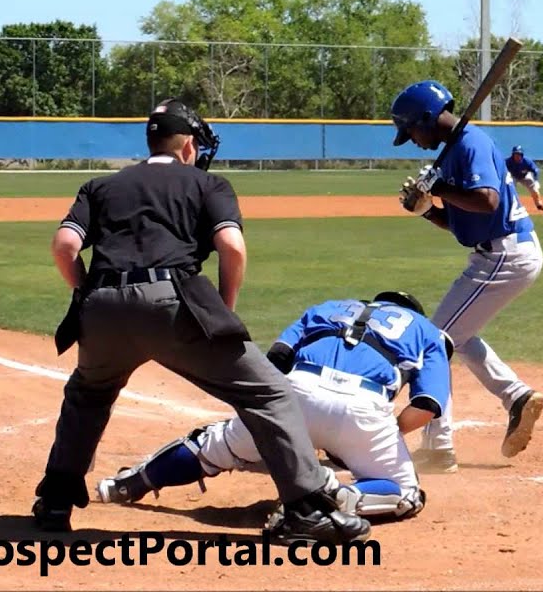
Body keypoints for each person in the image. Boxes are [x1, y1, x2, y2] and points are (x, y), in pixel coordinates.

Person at [33, 99, 370, 545]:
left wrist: (87, 293)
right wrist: (222, 313)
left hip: (102, 308)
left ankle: (55, 501)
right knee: (267, 393)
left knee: (88, 394)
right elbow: (232, 247)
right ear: (189, 145)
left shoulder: (101, 185)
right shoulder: (208, 183)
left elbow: (64, 246)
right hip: (173, 304)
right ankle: (306, 508)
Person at [95, 291, 451, 523]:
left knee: (212, 445)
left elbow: (275, 361)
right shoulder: (427, 330)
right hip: (363, 407)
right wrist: (371, 438)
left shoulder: (328, 308)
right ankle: (340, 496)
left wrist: (264, 418)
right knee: (407, 493)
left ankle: (127, 484)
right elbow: (426, 405)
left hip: (295, 390)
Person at [391, 80, 543, 474]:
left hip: (505, 254)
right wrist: (428, 209)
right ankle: (516, 397)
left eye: (411, 131)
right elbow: (464, 222)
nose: (413, 141)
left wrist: (441, 186)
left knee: (434, 343)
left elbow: (487, 201)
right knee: (452, 337)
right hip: (495, 253)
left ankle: (438, 448)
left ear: (426, 119)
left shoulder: (469, 144)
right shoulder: (454, 150)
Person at [505, 145, 543, 211]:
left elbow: (536, 170)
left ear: (522, 155)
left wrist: (536, 180)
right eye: (515, 154)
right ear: (513, 155)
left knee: (534, 189)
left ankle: (539, 205)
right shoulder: (508, 161)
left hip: (525, 176)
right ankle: (508, 206)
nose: (517, 156)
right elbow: (501, 169)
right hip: (513, 176)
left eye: (519, 154)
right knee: (509, 189)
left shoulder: (527, 161)